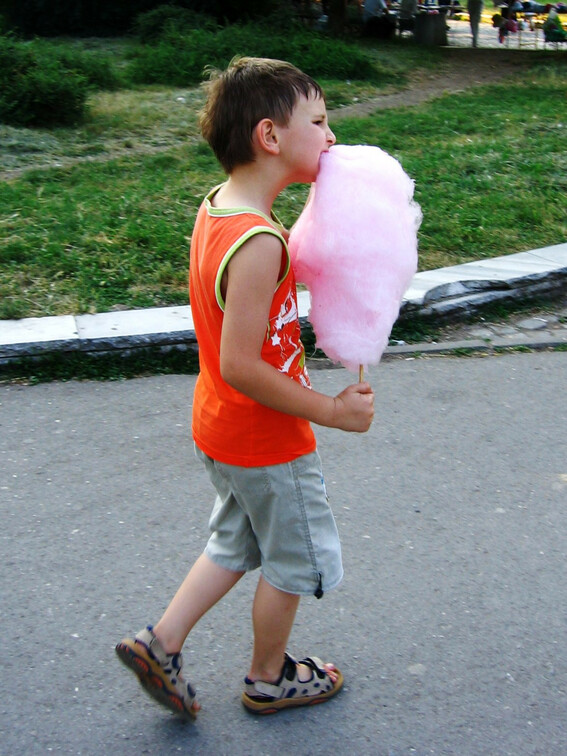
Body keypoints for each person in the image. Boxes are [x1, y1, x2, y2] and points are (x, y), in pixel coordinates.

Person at [115, 57, 375, 720]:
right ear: (270, 136)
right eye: (319, 121)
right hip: (266, 439)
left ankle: (160, 642)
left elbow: (243, 328)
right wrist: (331, 411)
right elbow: (242, 364)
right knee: (295, 560)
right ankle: (268, 677)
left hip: (220, 427)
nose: (331, 136)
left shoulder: (220, 209)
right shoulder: (260, 242)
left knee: (234, 541)